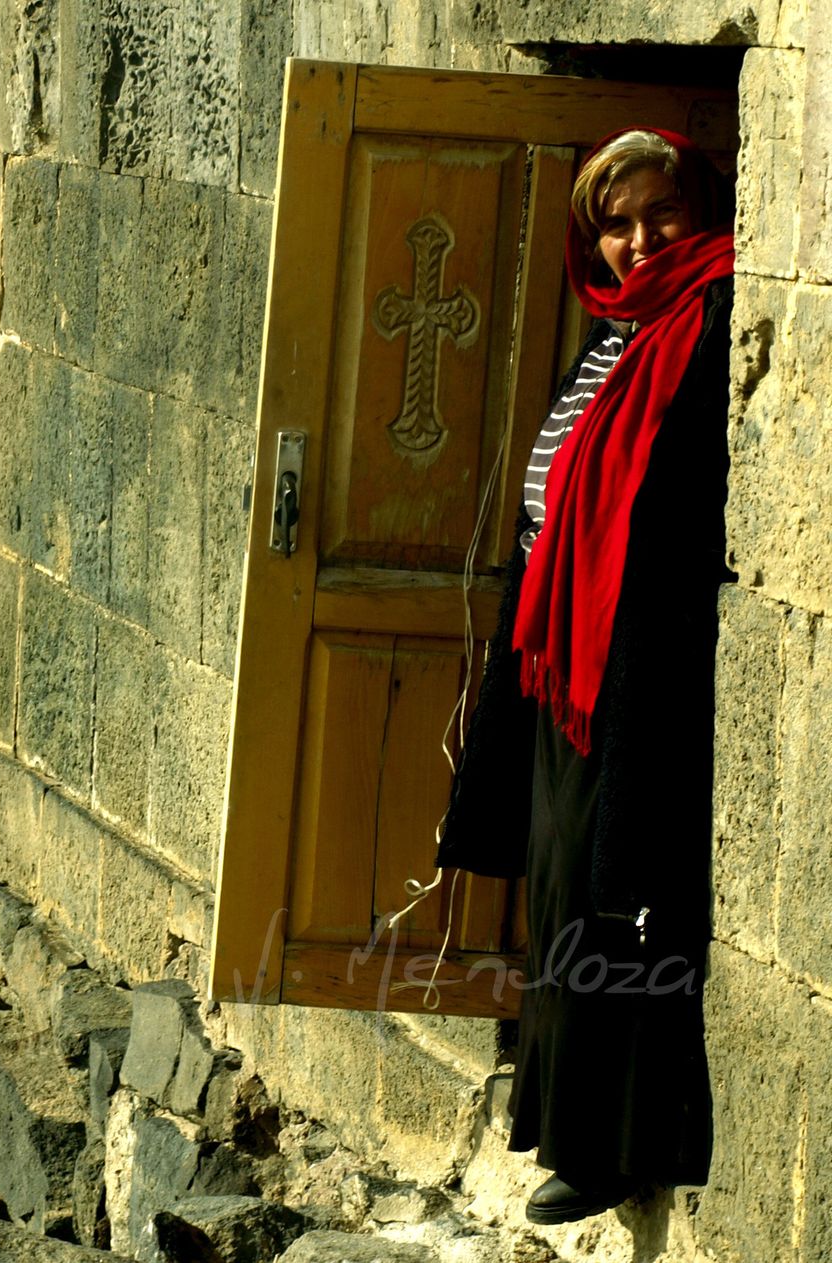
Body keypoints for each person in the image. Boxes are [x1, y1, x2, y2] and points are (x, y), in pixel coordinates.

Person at [435, 127, 736, 1225]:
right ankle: (560, 1124)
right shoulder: (619, 330)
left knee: (621, 897)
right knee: (564, 885)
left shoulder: (705, 319)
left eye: (659, 214)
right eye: (612, 223)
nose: (636, 239)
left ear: (697, 206)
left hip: (635, 668)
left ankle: (616, 1148)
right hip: (569, 661)